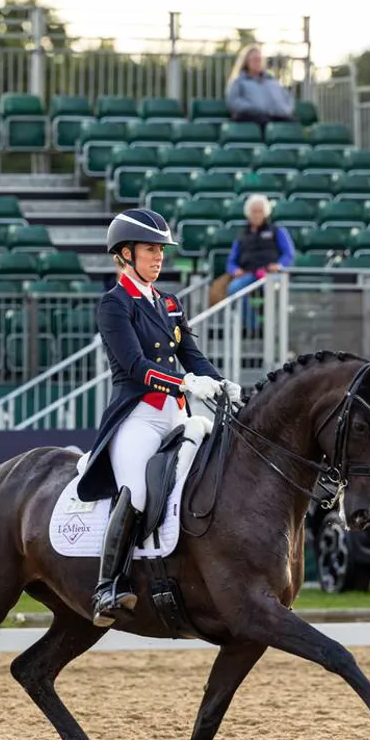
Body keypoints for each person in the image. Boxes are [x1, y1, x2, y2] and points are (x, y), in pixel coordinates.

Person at [76, 209, 243, 628]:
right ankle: (108, 586)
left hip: (178, 416)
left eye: (161, 251)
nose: (159, 257)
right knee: (136, 491)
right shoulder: (114, 304)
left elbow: (192, 356)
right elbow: (134, 365)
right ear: (125, 255)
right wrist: (185, 384)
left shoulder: (169, 302)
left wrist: (221, 383)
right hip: (139, 416)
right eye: (151, 250)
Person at [226, 194, 295, 299]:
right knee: (234, 288)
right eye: (254, 211)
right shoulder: (241, 236)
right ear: (248, 213)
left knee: (275, 288)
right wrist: (235, 270)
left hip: (271, 275)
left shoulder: (277, 231)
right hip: (249, 274)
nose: (257, 215)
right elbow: (231, 261)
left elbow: (289, 254)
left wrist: (279, 265)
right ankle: (249, 316)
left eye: (260, 211)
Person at [225, 44, 295, 126]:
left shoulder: (272, 81)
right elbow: (233, 102)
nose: (257, 63)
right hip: (252, 118)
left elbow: (287, 99)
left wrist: (284, 110)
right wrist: (254, 108)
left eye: (259, 60)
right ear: (246, 62)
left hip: (275, 115)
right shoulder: (238, 82)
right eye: (254, 60)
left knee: (292, 123)